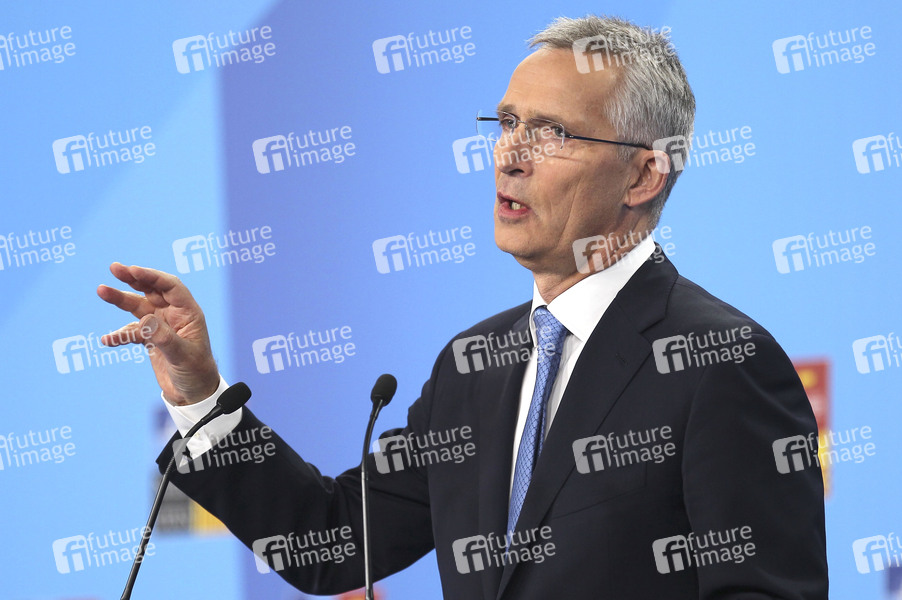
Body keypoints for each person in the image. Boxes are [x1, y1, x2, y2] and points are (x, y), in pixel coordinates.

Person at [97, 15, 828, 599]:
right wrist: (199, 396)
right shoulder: (474, 366)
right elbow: (329, 541)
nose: (511, 154)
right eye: (507, 122)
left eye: (552, 133)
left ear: (643, 175)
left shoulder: (719, 363)